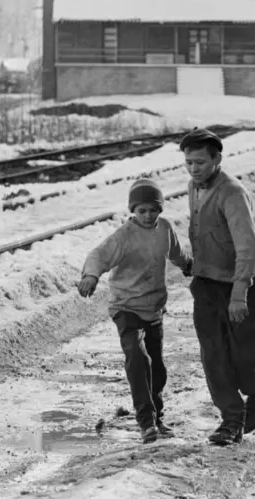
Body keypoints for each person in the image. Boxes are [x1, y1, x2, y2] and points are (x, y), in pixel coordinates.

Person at [77, 178, 193, 444]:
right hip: (126, 307)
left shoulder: (165, 228)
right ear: (133, 210)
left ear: (160, 209)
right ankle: (146, 422)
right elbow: (98, 255)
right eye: (142, 210)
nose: (148, 215)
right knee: (138, 360)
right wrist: (91, 276)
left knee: (157, 368)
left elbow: (176, 252)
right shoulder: (125, 236)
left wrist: (187, 265)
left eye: (153, 209)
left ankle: (157, 416)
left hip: (153, 308)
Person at [180, 127, 255, 447]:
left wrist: (239, 294)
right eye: (189, 163)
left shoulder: (232, 193)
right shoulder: (193, 187)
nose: (194, 169)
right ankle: (231, 419)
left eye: (200, 162)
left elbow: (249, 249)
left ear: (217, 159)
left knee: (245, 362)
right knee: (213, 358)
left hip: (237, 288)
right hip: (205, 287)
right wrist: (194, 262)